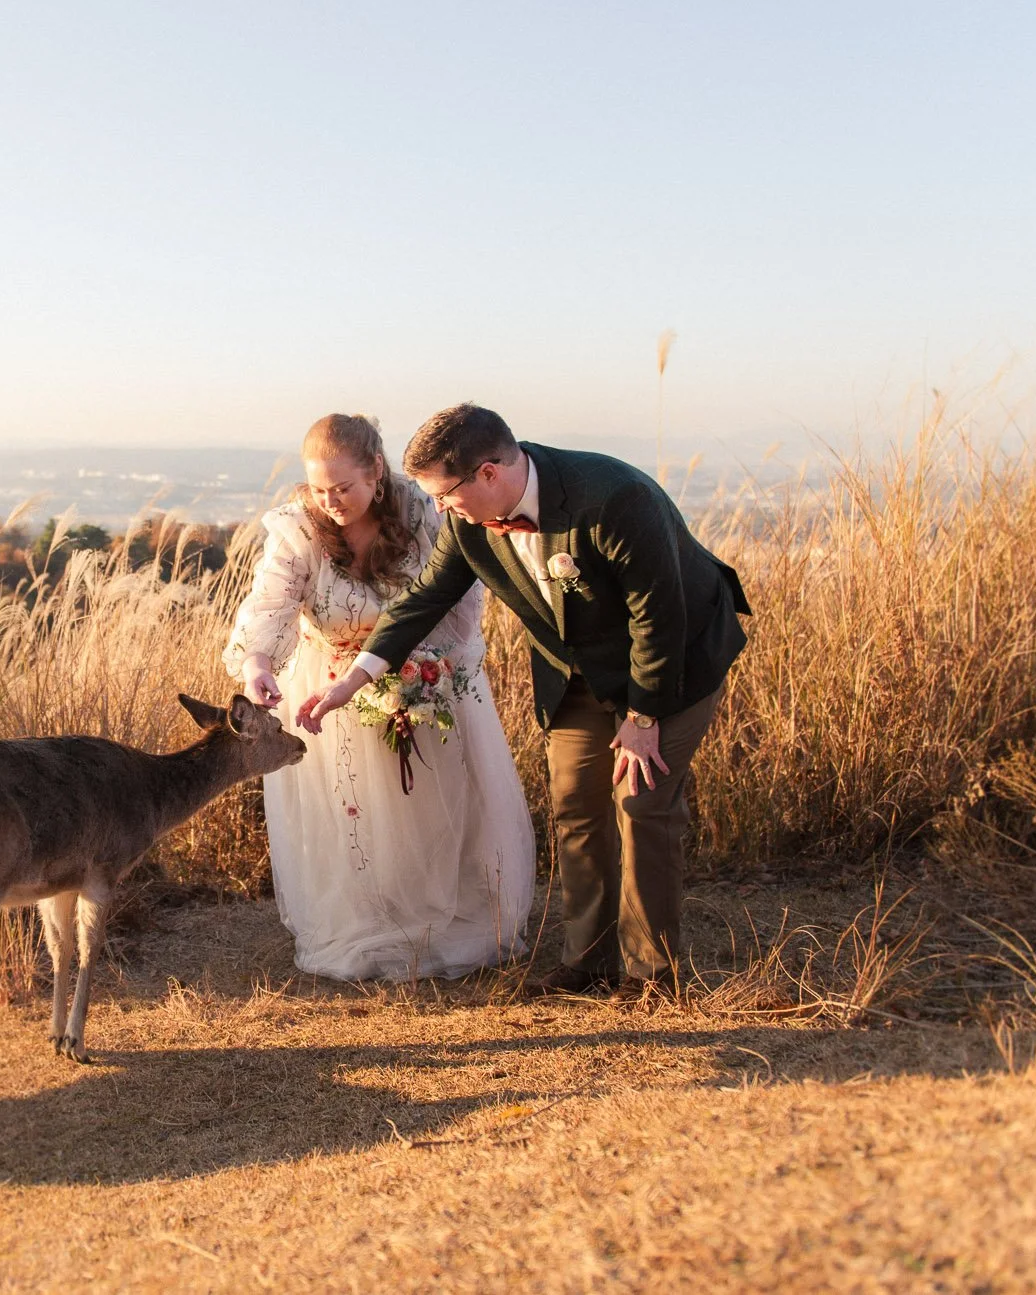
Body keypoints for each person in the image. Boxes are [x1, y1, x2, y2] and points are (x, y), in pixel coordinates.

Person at [298, 404, 750, 999]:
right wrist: (355, 680)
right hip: (577, 671)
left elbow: (658, 618)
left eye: (446, 495)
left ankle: (651, 976)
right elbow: (423, 599)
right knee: (577, 805)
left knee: (642, 804)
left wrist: (643, 717)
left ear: (489, 473)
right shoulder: (469, 520)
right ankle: (588, 962)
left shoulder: (614, 499)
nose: (440, 510)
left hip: (675, 659)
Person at [224, 414, 536, 980]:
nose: (331, 502)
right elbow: (269, 603)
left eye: (343, 488)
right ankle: (368, 916)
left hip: (424, 675)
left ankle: (441, 915)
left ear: (375, 470)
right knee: (356, 813)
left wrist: (430, 669)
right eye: (319, 489)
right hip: (330, 689)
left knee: (433, 805)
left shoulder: (423, 509)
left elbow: (457, 596)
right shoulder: (298, 527)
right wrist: (257, 665)